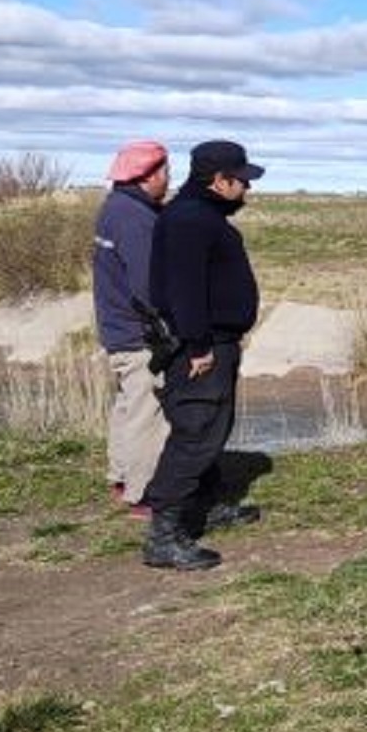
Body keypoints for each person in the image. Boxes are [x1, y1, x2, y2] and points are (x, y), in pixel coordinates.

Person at [141, 140, 266, 571]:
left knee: (212, 429)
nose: (247, 189)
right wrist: (198, 346)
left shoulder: (199, 216)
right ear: (219, 181)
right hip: (201, 347)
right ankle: (164, 537)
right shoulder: (191, 221)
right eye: (242, 181)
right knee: (195, 433)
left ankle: (204, 508)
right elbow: (184, 289)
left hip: (214, 341)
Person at [91, 140, 171, 517]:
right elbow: (148, 284)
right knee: (146, 411)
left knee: (127, 406)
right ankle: (144, 493)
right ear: (149, 174)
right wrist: (170, 321)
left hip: (116, 325)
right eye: (166, 172)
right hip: (138, 332)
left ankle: (122, 477)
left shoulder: (115, 207)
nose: (168, 180)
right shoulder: (136, 219)